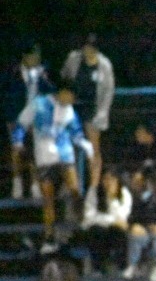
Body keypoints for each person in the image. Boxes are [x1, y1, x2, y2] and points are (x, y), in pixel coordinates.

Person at [12, 77, 94, 254]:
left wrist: (84, 143)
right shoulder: (38, 104)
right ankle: (49, 238)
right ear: (63, 92)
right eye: (71, 96)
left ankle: (80, 223)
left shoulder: (69, 110)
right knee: (48, 199)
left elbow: (76, 131)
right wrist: (18, 141)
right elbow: (21, 124)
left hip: (65, 154)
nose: (72, 101)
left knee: (74, 189)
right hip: (44, 157)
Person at [61, 33, 115, 191]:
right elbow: (64, 78)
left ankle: (93, 188)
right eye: (86, 47)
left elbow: (108, 91)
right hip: (73, 109)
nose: (88, 50)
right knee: (68, 148)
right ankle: (70, 185)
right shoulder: (73, 58)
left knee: (93, 149)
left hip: (93, 110)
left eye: (91, 47)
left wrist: (101, 115)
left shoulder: (104, 65)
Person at [2, 39, 53, 199]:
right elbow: (6, 91)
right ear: (25, 56)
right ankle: (17, 183)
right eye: (33, 56)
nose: (36, 59)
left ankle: (34, 184)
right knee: (17, 149)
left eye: (38, 55)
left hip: (36, 116)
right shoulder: (13, 71)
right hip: (17, 116)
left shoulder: (44, 71)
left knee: (35, 150)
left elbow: (51, 90)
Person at [71, 166, 132, 272]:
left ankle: (122, 268)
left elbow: (121, 217)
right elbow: (89, 217)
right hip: (95, 230)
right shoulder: (94, 192)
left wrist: (112, 199)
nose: (108, 182)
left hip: (113, 230)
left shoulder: (124, 194)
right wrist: (110, 220)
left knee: (119, 232)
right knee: (97, 231)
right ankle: (98, 268)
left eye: (111, 179)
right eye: (105, 179)